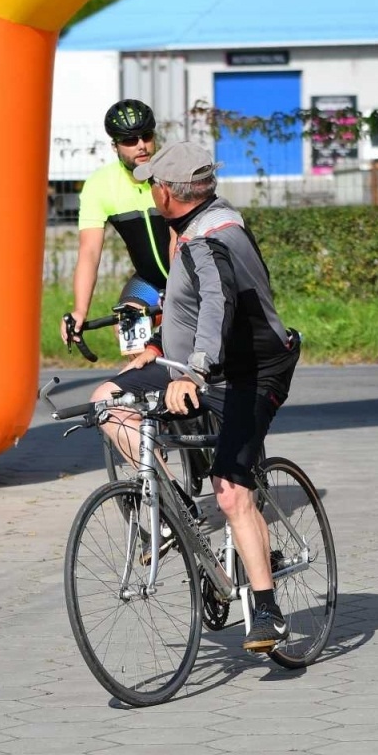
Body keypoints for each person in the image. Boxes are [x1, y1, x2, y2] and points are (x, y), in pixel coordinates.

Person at [90, 141, 302, 653]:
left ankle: (268, 610)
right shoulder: (189, 226)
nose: (149, 189)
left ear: (168, 193)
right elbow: (184, 306)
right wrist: (161, 348)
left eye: (152, 184)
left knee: (231, 491)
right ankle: (178, 512)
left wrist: (193, 372)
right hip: (195, 365)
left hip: (252, 372)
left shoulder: (211, 238)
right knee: (106, 398)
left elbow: (217, 306)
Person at [60, 99, 171, 345]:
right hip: (150, 281)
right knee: (127, 328)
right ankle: (150, 383)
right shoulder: (100, 184)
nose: (141, 146)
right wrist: (80, 310)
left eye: (146, 136)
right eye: (130, 140)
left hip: (192, 276)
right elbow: (89, 252)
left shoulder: (173, 171)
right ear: (115, 146)